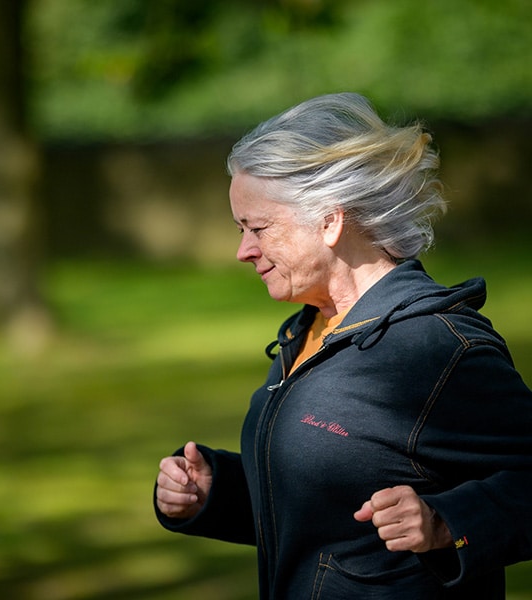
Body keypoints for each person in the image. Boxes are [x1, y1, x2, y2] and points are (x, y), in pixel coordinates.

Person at [153, 92, 532, 599]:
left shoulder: (436, 348)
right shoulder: (307, 331)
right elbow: (327, 504)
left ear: (330, 222)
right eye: (240, 228)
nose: (243, 250)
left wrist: (447, 524)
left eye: (258, 228)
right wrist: (214, 494)